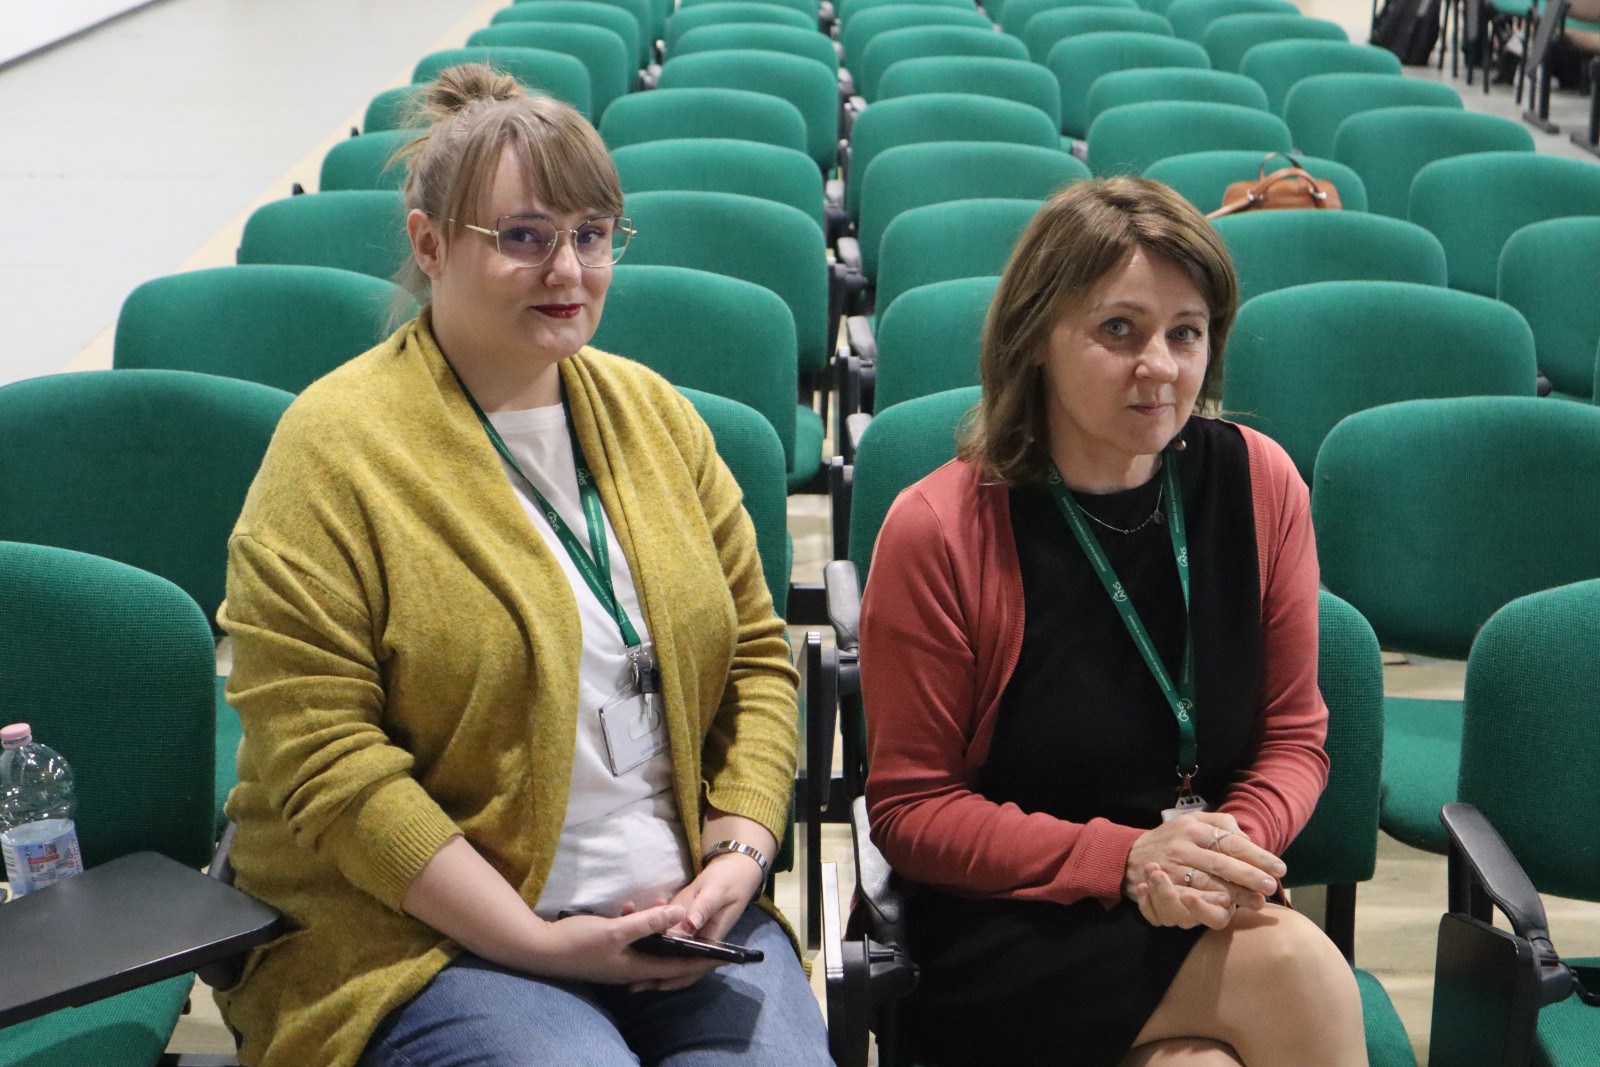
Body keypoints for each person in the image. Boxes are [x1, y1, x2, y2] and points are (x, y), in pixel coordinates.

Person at [213, 64, 830, 1067]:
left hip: (678, 911)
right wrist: (536, 942)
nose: (569, 270)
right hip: (426, 938)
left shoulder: (656, 418)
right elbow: (330, 761)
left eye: (592, 234)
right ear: (428, 244)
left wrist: (738, 852)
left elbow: (758, 660)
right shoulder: (333, 450)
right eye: (525, 237)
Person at [858, 177, 1368, 1067]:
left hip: (1192, 905)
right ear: (1035, 339)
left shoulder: (1261, 484)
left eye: (1186, 332)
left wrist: (1222, 851)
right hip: (1010, 921)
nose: (1160, 366)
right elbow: (912, 808)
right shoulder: (940, 527)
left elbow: (1295, 738)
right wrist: (1128, 859)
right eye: (1120, 330)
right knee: (1297, 970)